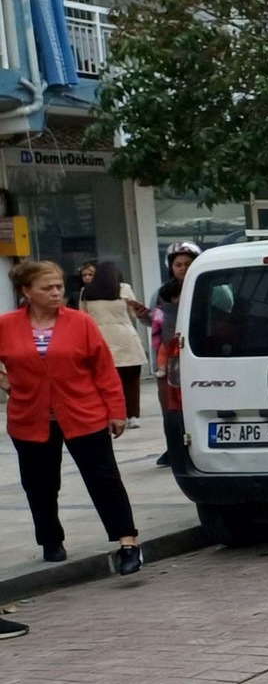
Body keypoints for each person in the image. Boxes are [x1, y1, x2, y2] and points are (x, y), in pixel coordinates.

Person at [0, 260, 144, 574]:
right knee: (40, 485)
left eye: (59, 287)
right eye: (46, 288)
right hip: (30, 418)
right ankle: (51, 540)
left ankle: (128, 543)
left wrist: (116, 411)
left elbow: (104, 370)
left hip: (85, 413)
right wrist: (4, 380)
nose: (56, 293)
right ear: (26, 291)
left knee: (104, 479)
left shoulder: (80, 322)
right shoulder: (7, 324)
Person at [78, 260, 149, 423]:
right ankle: (132, 415)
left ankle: (109, 414)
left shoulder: (85, 291)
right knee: (131, 380)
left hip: (100, 338)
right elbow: (134, 313)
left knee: (104, 380)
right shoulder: (124, 289)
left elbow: (83, 317)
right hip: (125, 337)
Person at [152, 241, 201, 467]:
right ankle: (173, 448)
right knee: (170, 406)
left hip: (198, 354)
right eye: (178, 264)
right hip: (169, 359)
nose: (182, 268)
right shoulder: (162, 295)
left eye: (187, 263)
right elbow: (157, 323)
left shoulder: (210, 286)